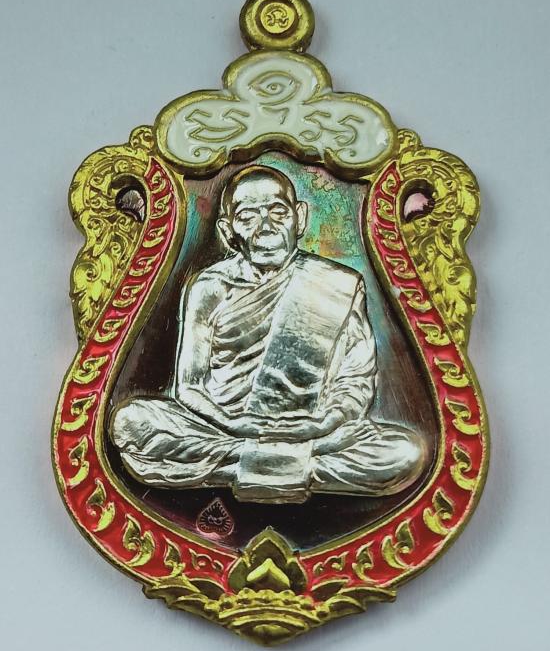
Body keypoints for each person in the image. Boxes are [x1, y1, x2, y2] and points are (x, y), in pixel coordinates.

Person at [110, 165, 428, 503]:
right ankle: (293, 467)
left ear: (299, 218)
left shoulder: (339, 284)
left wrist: (321, 424)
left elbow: (356, 382)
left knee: (406, 453)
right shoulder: (209, 287)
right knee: (130, 422)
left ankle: (234, 468)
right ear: (227, 230)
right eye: (248, 217)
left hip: (312, 433)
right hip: (223, 428)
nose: (266, 228)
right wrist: (235, 424)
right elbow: (188, 387)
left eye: (278, 211)